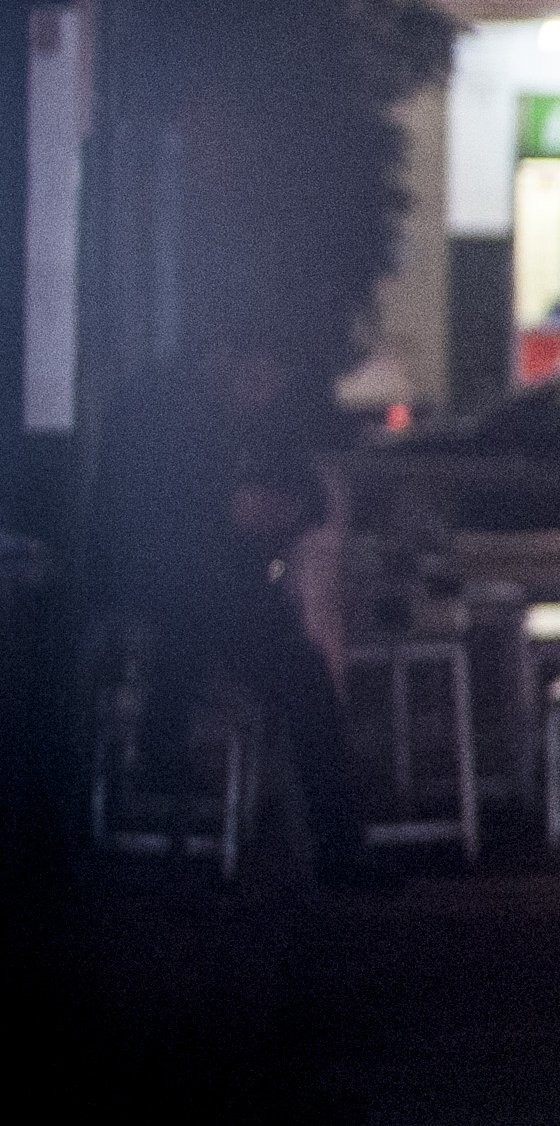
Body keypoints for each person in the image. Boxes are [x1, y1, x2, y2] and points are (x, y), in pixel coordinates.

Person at [99, 338, 368, 881]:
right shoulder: (185, 421)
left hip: (195, 592)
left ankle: (167, 762)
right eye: (263, 377)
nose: (266, 393)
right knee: (299, 673)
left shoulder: (218, 416)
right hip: (184, 591)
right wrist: (264, 512)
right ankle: (336, 850)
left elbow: (299, 497)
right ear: (233, 363)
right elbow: (238, 513)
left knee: (285, 665)